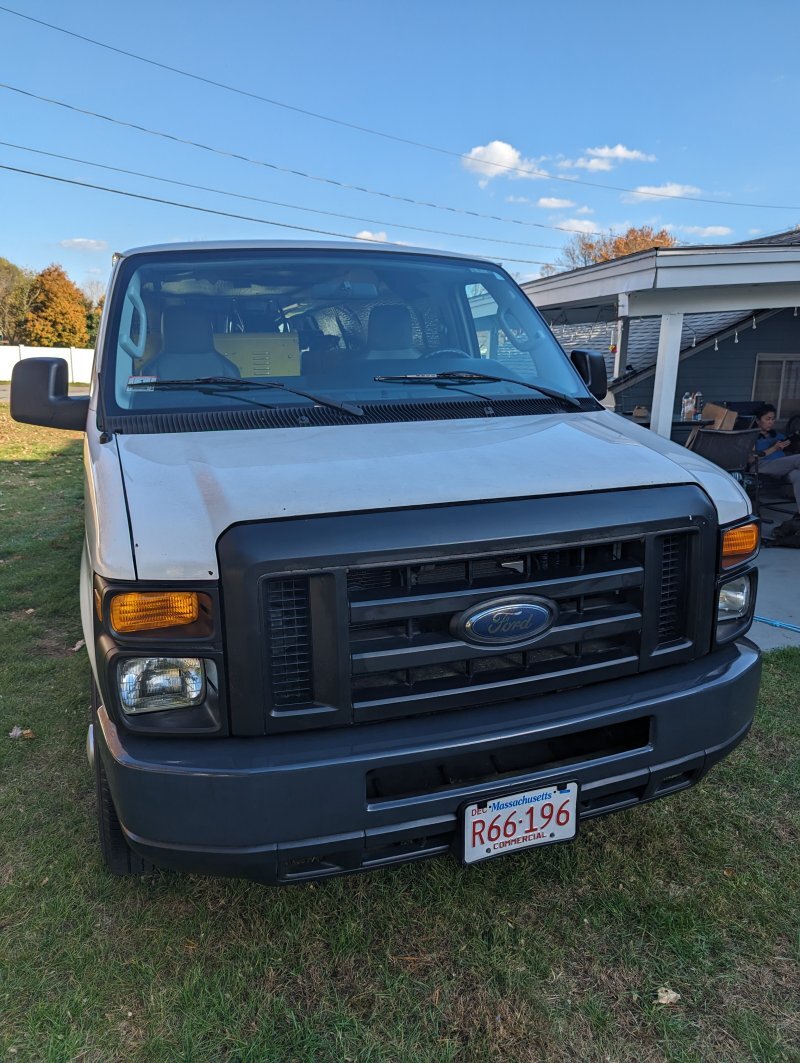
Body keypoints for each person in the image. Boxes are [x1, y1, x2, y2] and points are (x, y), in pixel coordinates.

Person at [753, 403, 800, 512]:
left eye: (773, 419)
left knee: (798, 476)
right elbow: (751, 459)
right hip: (761, 466)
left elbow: (790, 448)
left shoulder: (777, 435)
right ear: (758, 420)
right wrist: (774, 448)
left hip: (782, 468)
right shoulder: (752, 436)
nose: (771, 422)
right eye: (768, 419)